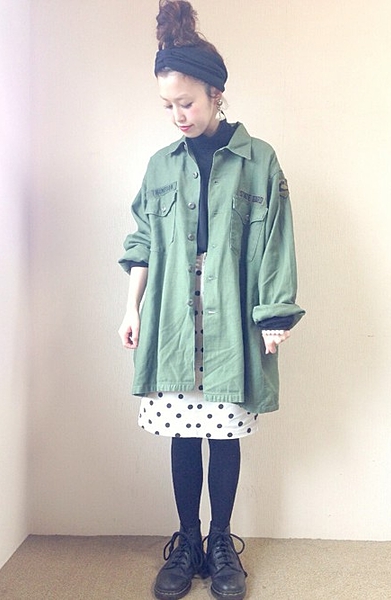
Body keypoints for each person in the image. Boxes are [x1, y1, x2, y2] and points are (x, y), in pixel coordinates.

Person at [118, 1, 305, 599]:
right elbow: (143, 241)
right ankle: (188, 540)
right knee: (182, 429)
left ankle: (222, 541)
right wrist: (131, 308)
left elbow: (276, 239)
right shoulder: (159, 167)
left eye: (187, 103)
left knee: (223, 431)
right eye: (167, 105)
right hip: (174, 314)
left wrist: (274, 313)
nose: (177, 115)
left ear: (216, 94)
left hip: (233, 314)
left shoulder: (259, 160)